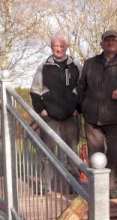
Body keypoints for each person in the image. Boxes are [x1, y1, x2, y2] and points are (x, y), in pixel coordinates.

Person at [78, 29, 117, 199]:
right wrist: (82, 107)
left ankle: (111, 186)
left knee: (113, 153)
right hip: (92, 118)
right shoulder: (90, 63)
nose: (110, 43)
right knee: (95, 154)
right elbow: (81, 88)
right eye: (107, 40)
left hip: (115, 117)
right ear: (101, 44)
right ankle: (96, 187)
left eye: (114, 40)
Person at [30, 32, 81, 193]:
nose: (58, 49)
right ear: (51, 47)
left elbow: (82, 90)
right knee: (46, 151)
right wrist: (40, 109)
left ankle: (74, 186)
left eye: (61, 46)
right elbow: (35, 90)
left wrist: (77, 108)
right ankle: (44, 186)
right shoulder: (43, 67)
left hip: (70, 116)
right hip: (49, 116)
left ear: (66, 47)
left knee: (72, 152)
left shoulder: (76, 67)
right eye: (55, 46)